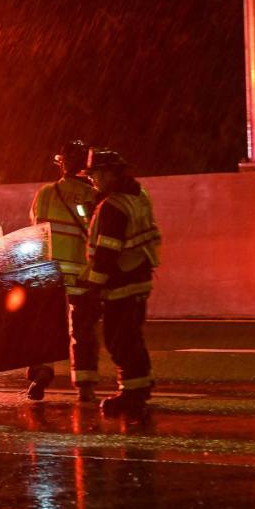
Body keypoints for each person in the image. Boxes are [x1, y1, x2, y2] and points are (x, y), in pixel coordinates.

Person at [80, 149, 161, 416]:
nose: (93, 181)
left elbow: (106, 252)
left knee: (119, 340)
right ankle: (142, 385)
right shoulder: (139, 195)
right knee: (132, 336)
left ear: (110, 173)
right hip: (140, 276)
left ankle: (131, 393)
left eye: (95, 175)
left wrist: (94, 287)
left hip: (120, 283)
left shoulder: (113, 206)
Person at [29, 140, 100, 402]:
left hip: (50, 277)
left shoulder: (46, 193)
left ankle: (41, 373)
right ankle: (85, 388)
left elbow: (36, 230)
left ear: (62, 165)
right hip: (83, 277)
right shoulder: (95, 197)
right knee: (83, 334)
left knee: (43, 329)